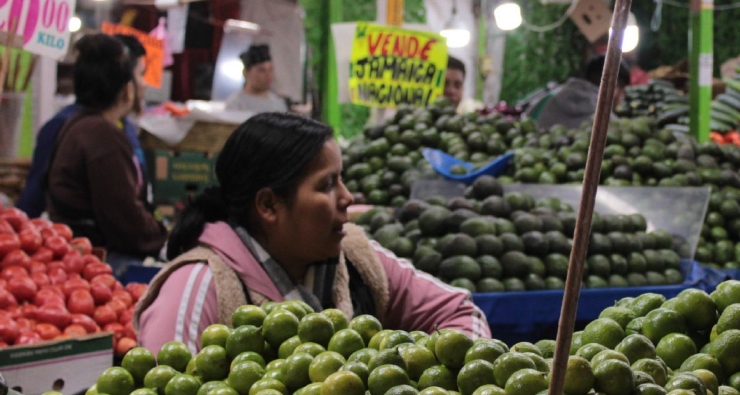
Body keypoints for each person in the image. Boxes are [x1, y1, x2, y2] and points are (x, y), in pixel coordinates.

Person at [134, 113, 488, 353]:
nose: (348, 198)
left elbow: (461, 313)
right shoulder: (197, 289)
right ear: (269, 205)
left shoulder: (357, 258)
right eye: (328, 184)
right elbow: (162, 382)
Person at [46, 34, 166, 273]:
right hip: (99, 262)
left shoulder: (80, 125)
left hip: (83, 256)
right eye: (140, 76)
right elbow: (125, 220)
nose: (143, 84)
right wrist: (166, 239)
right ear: (126, 90)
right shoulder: (101, 135)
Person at [20, 35, 149, 217]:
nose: (145, 84)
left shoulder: (125, 128)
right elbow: (32, 201)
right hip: (83, 242)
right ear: (127, 85)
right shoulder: (62, 126)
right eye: (141, 74)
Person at [536, 56, 630, 131]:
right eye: (622, 92)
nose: (622, 98)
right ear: (613, 86)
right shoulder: (607, 123)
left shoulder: (550, 103)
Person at [225, 44, 288, 113]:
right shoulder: (236, 103)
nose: (268, 75)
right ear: (246, 72)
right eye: (261, 70)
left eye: (270, 70)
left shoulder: (277, 103)